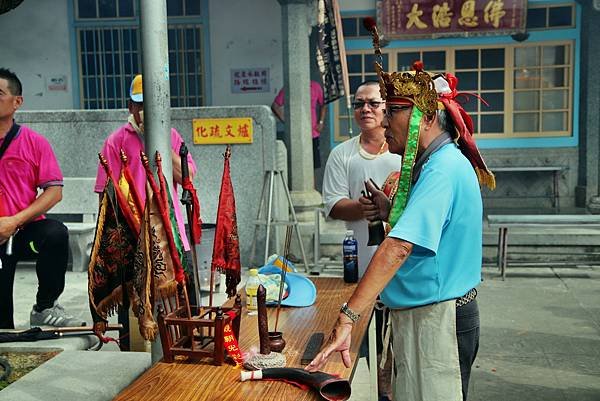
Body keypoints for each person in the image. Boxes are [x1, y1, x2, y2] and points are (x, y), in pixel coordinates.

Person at [306, 22, 496, 401]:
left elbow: (397, 247)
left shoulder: (442, 168)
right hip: (424, 315)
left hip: (439, 320)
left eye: (393, 110)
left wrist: (348, 317)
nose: (383, 120)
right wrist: (391, 208)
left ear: (426, 117)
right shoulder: (433, 164)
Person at [322, 80, 401, 401]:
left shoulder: (404, 156)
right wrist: (365, 207)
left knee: (397, 345)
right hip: (361, 263)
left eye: (373, 103)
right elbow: (333, 204)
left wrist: (389, 207)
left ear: (387, 108)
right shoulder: (343, 154)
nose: (365, 109)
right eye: (358, 104)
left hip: (400, 264)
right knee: (361, 343)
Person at [0, 68, 85, 329]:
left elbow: (54, 191)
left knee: (55, 233)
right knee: (3, 326)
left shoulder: (34, 143)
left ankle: (45, 306)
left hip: (23, 231)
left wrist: (14, 220)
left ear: (17, 102)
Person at [94, 74, 197, 252]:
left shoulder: (171, 136)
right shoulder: (116, 141)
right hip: (131, 232)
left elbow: (187, 177)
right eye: (141, 105)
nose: (146, 111)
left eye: (151, 105)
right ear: (130, 107)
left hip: (169, 229)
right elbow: (106, 194)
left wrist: (160, 139)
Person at [271, 80, 326, 169]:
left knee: (313, 166)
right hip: (295, 135)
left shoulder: (315, 86)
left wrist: (321, 122)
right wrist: (286, 122)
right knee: (296, 165)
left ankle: (311, 183)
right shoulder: (289, 87)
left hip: (313, 133)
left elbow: (323, 104)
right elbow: (275, 106)